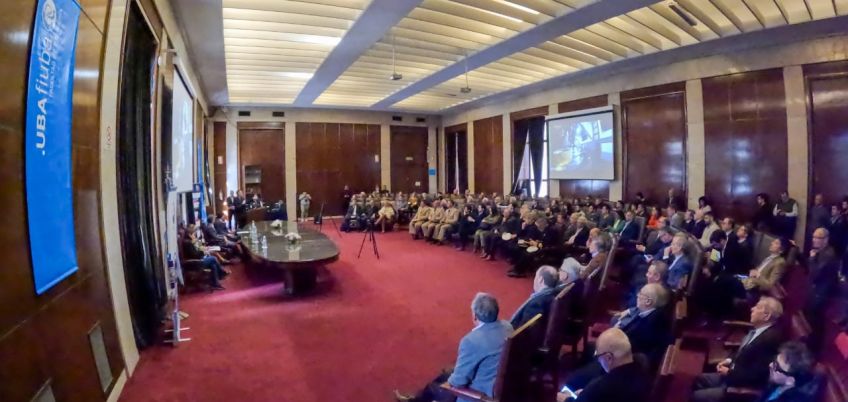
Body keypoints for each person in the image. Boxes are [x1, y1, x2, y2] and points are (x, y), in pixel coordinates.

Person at [395, 293, 512, 402]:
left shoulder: (471, 341)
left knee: (433, 388)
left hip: (481, 394)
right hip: (503, 384)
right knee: (445, 375)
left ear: (475, 316)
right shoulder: (507, 327)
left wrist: (448, 383)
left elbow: (458, 382)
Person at [565, 283, 671, 391]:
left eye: (641, 294)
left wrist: (614, 334)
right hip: (622, 356)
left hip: (623, 364)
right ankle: (586, 375)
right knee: (589, 348)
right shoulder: (649, 313)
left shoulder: (652, 323)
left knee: (572, 382)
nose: (638, 295)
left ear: (648, 301)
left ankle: (585, 386)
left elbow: (629, 345)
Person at [690, 297, 785, 402]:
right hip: (733, 374)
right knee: (699, 380)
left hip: (739, 387)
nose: (752, 309)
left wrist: (729, 373)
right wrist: (728, 360)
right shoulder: (758, 330)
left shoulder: (769, 341)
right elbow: (742, 350)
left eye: (757, 307)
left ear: (766, 316)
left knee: (697, 396)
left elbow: (757, 375)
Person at [556, 328, 651, 402]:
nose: (598, 360)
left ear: (609, 358)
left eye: (598, 356)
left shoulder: (602, 387)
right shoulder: (640, 367)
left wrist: (565, 399)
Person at [804, 227, 839, 352]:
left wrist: (812, 258)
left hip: (820, 297)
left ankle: (813, 351)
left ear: (826, 240)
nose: (814, 240)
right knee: (811, 324)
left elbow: (815, 274)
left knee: (816, 325)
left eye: (818, 238)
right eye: (813, 237)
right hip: (816, 293)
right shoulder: (821, 252)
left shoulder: (829, 255)